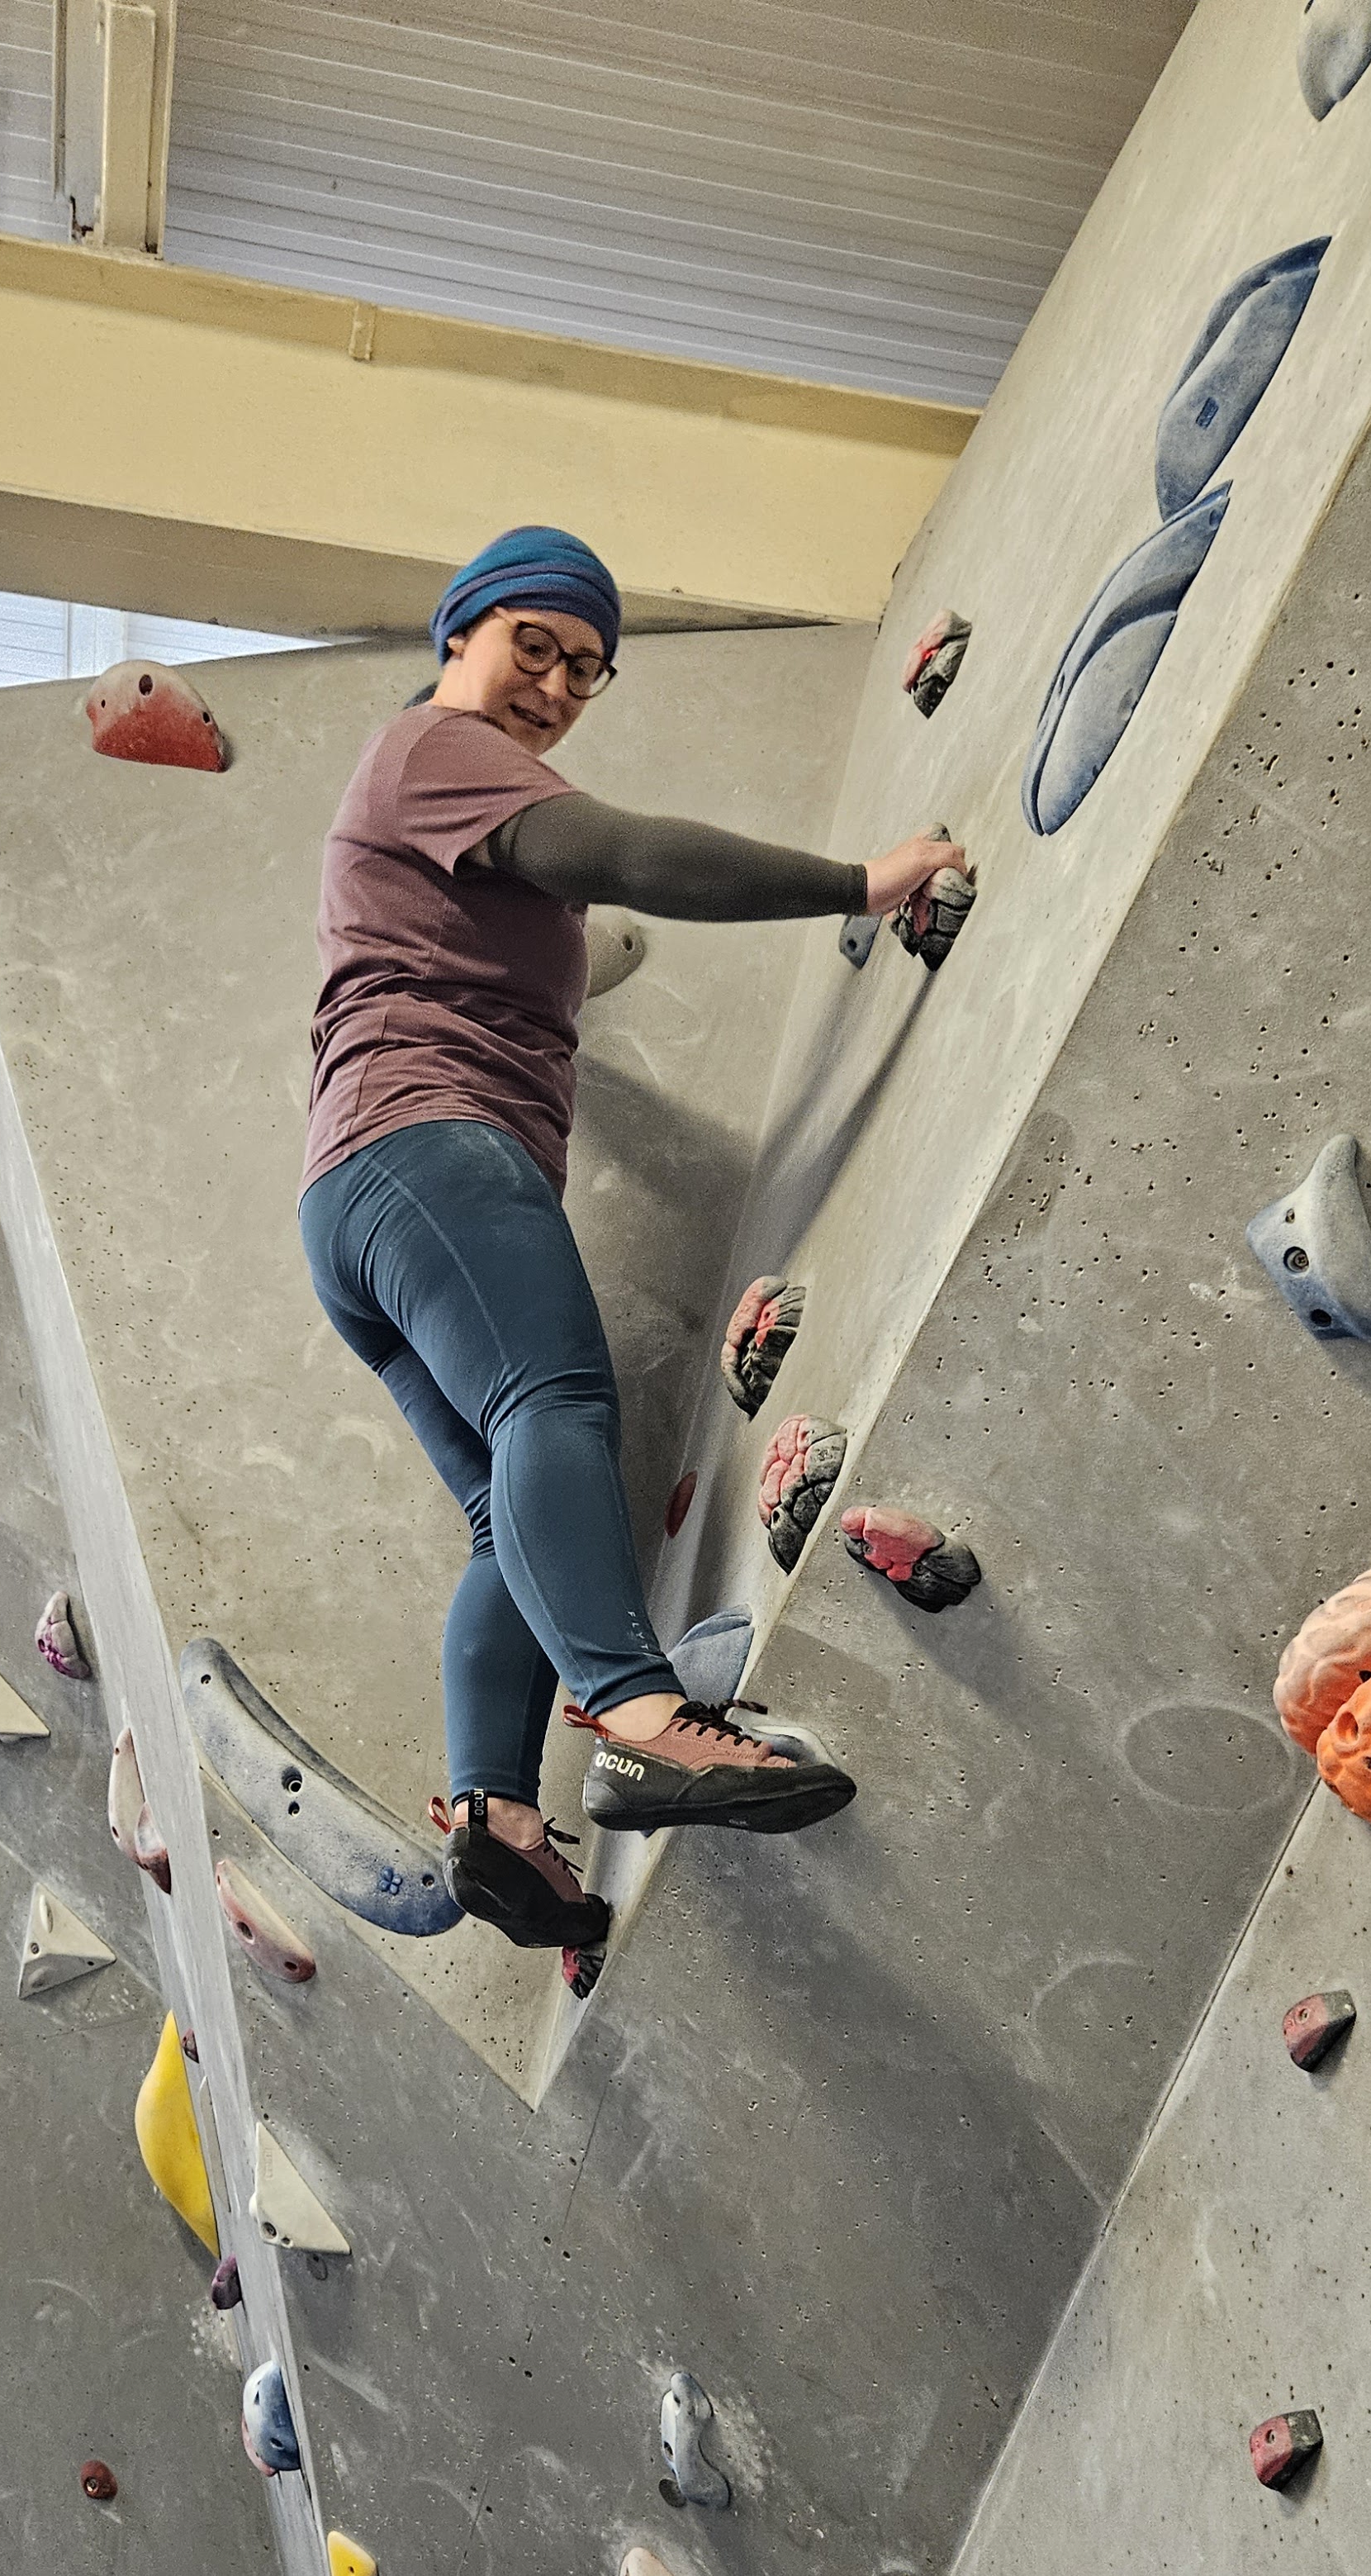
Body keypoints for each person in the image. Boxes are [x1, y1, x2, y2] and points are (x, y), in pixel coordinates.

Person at [300, 524, 968, 1961]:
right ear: (459, 635)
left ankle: (496, 1819)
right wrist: (860, 879)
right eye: (530, 645)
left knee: (509, 1514)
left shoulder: (430, 793)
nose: (552, 684)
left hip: (362, 1198)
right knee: (558, 1407)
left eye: (586, 670)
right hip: (427, 1140)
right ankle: (648, 1721)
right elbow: (619, 850)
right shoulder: (435, 750)